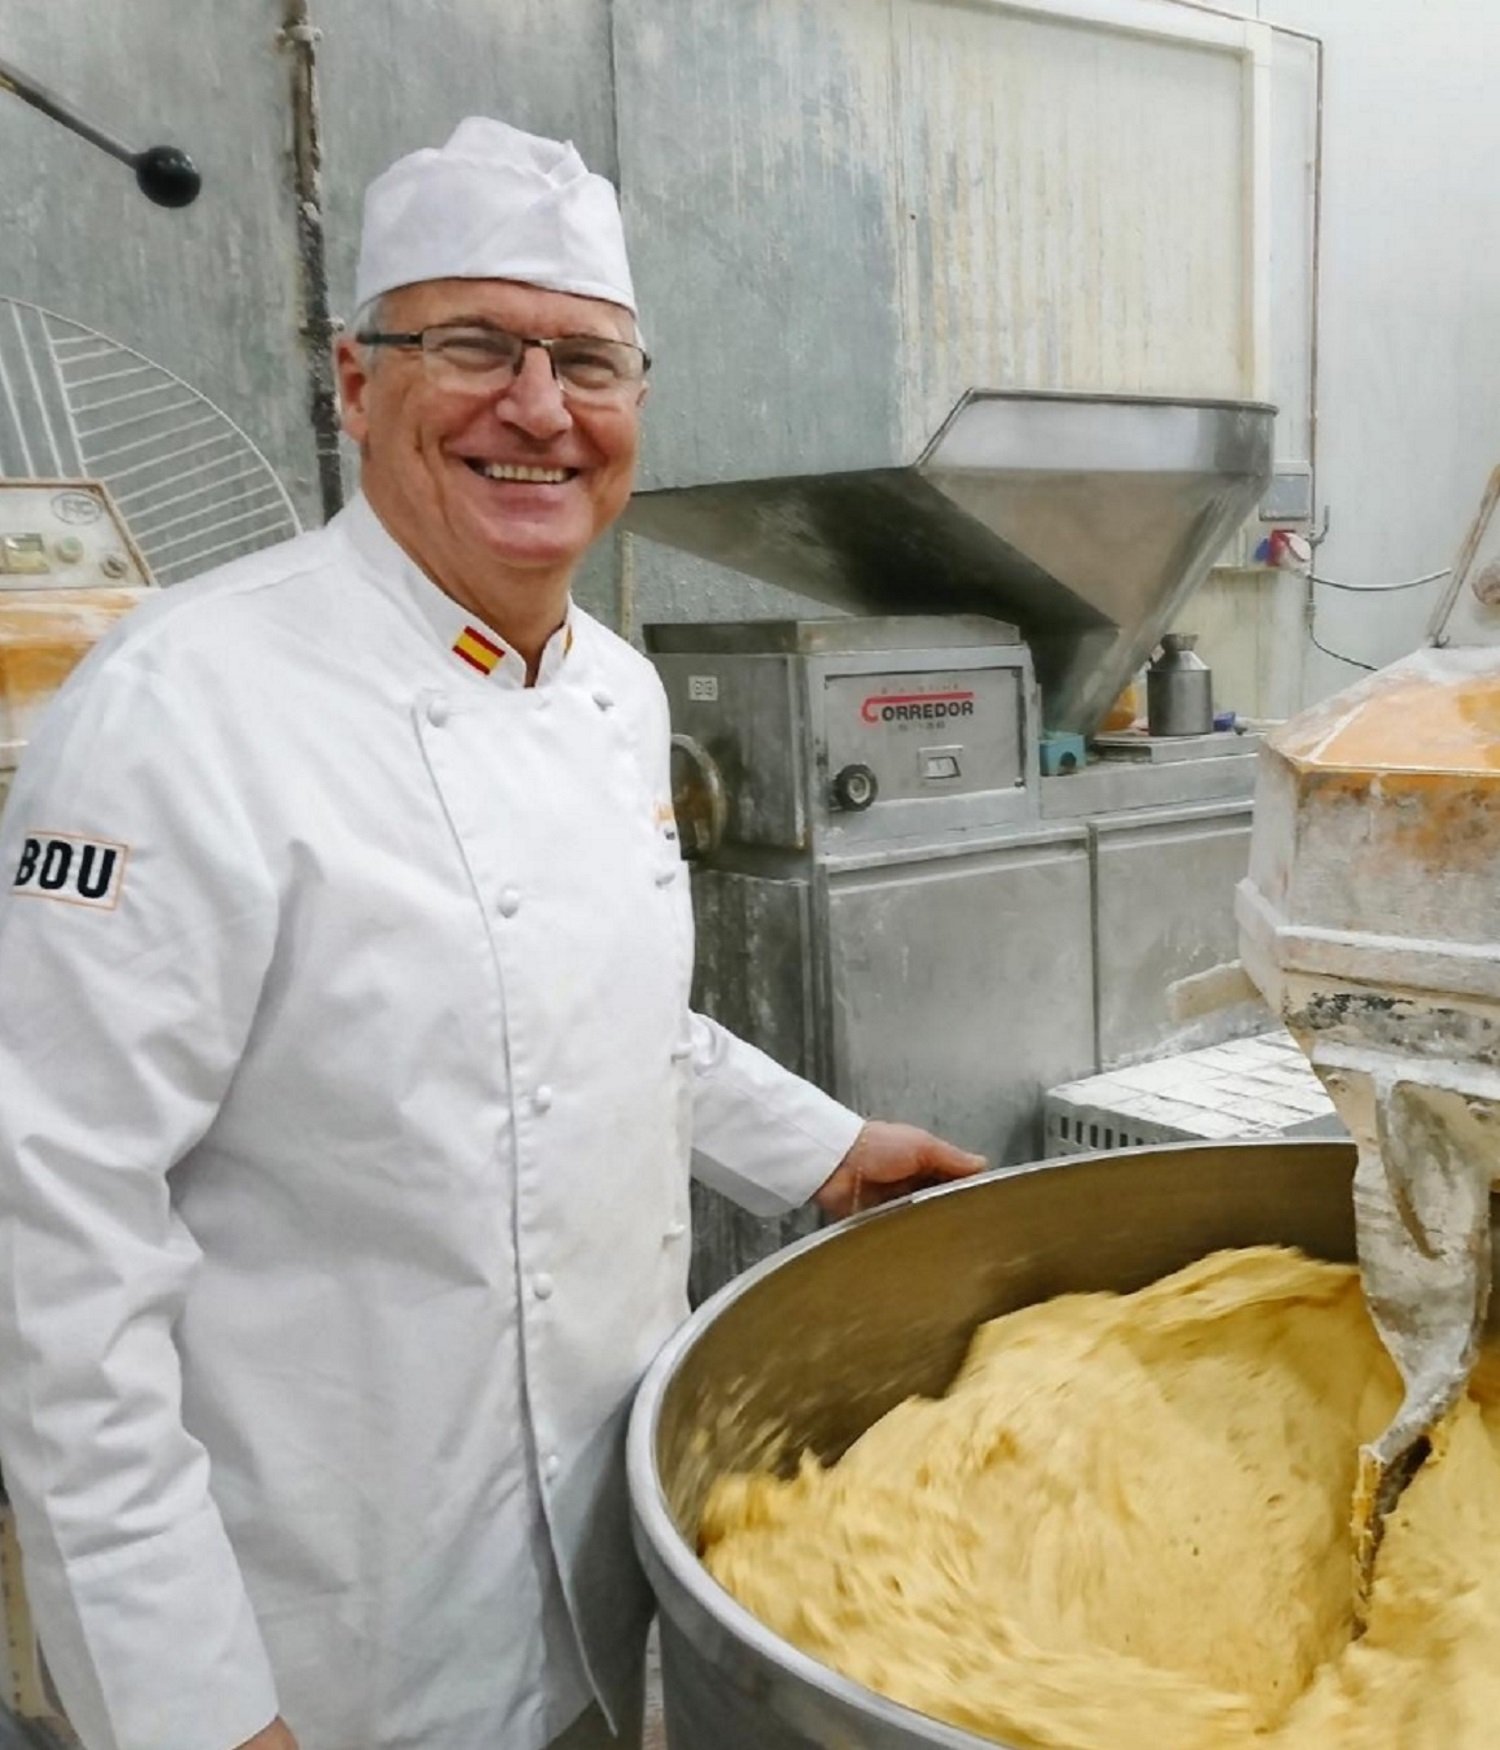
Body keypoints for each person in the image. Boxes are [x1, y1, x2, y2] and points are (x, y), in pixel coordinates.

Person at [0, 119, 983, 1750]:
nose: (538, 407)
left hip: (595, 1584)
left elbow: (588, 1008)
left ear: (637, 404)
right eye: (472, 345)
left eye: (586, 360)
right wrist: (193, 1709)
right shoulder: (181, 709)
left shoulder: (612, 685)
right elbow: (52, 1246)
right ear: (355, 381)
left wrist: (825, 1149)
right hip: (316, 1636)